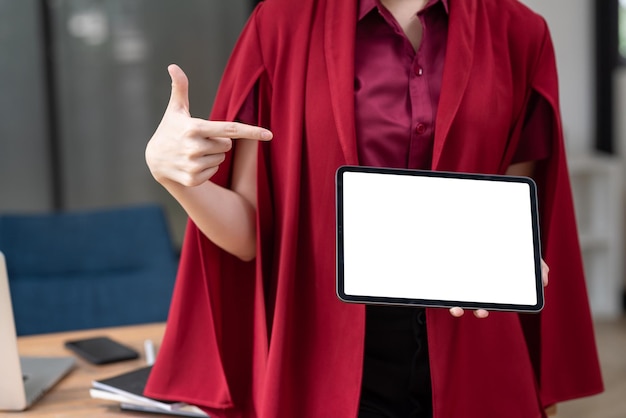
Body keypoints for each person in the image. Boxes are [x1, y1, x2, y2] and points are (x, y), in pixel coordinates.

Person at [144, 0, 603, 417]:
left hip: (473, 347)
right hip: (324, 352)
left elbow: (510, 210)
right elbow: (250, 235)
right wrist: (175, 179)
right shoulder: (282, 23)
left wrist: (512, 258)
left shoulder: (520, 32)